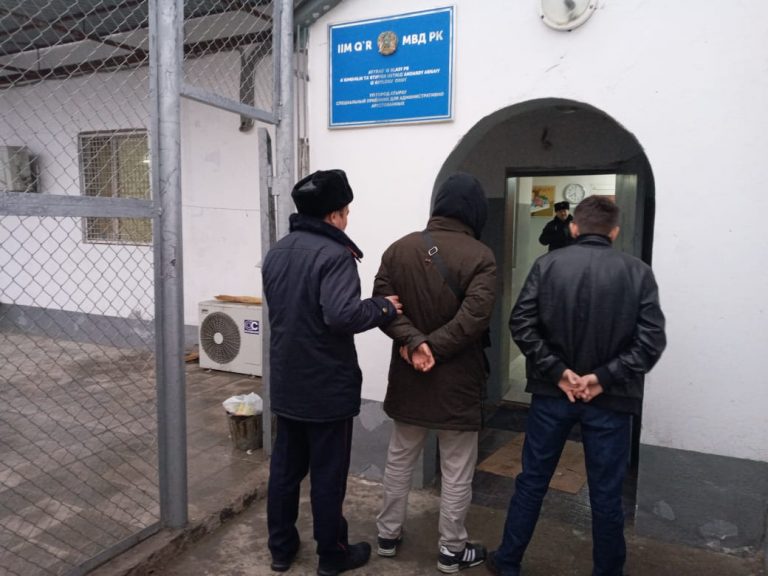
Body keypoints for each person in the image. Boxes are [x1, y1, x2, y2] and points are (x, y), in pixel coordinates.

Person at [488, 195, 667, 576]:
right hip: (612, 401)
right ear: (614, 232)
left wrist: (558, 372)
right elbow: (651, 341)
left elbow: (521, 323)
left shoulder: (547, 265)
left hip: (552, 396)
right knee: (606, 495)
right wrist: (602, 378)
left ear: (573, 228)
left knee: (532, 482)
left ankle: (507, 562)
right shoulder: (638, 272)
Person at [262, 169, 403, 576]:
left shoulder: (278, 251)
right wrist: (382, 307)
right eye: (346, 212)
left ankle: (281, 550)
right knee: (327, 476)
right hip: (326, 390)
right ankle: (332, 554)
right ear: (334, 214)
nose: (348, 219)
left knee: (285, 472)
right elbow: (340, 316)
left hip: (287, 384)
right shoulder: (335, 255)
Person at [372, 172, 497, 574]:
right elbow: (475, 317)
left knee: (399, 460)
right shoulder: (481, 256)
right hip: (458, 383)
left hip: (409, 378)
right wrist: (433, 348)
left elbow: (382, 305)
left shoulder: (399, 249)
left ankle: (387, 536)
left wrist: (414, 343)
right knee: (457, 469)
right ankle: (451, 551)